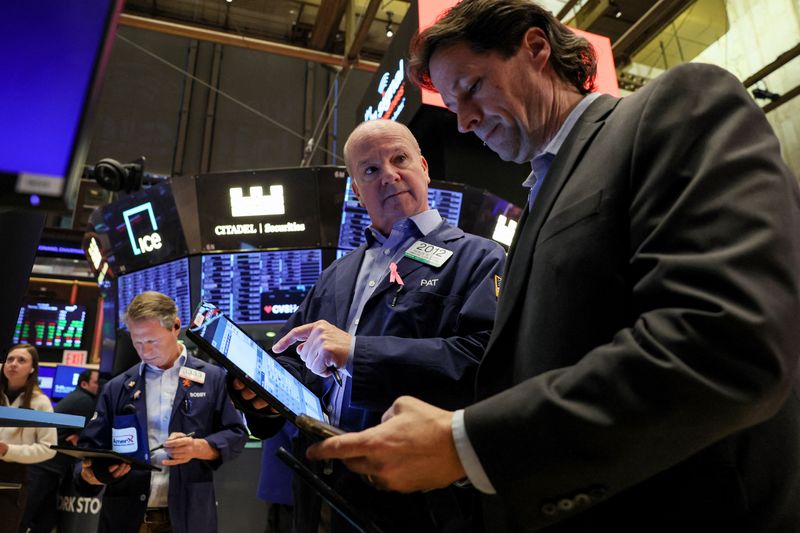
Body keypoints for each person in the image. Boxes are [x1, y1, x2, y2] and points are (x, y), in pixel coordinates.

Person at [306, 1, 800, 531]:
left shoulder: (674, 108)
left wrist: (467, 442)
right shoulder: (539, 200)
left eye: (471, 88)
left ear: (536, 48)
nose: (466, 121)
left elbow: (726, 342)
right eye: (453, 108)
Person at [234, 118, 506, 532]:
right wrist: (262, 393)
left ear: (424, 167)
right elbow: (291, 359)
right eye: (371, 170)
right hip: (320, 490)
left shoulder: (478, 258)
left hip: (417, 501)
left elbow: (484, 360)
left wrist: (358, 354)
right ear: (357, 191)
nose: (390, 175)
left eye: (399, 159)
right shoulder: (338, 274)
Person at [75, 291, 248, 533]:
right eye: (137, 342)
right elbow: (90, 450)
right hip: (125, 519)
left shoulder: (213, 378)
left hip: (188, 518)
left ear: (176, 326)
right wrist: (88, 476)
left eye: (152, 341)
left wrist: (200, 448)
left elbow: (236, 433)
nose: (145, 351)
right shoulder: (118, 387)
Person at [21, 368, 100, 533]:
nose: (101, 386)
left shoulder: (77, 397)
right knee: (25, 517)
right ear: (84, 384)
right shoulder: (85, 401)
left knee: (44, 521)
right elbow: (83, 440)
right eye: (97, 382)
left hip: (47, 467)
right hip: (43, 467)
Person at [0, 344, 56, 533]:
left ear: (32, 368)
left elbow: (49, 448)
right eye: (10, 359)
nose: (13, 364)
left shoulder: (41, 402)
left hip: (13, 479)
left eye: (21, 360)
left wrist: (8, 450)